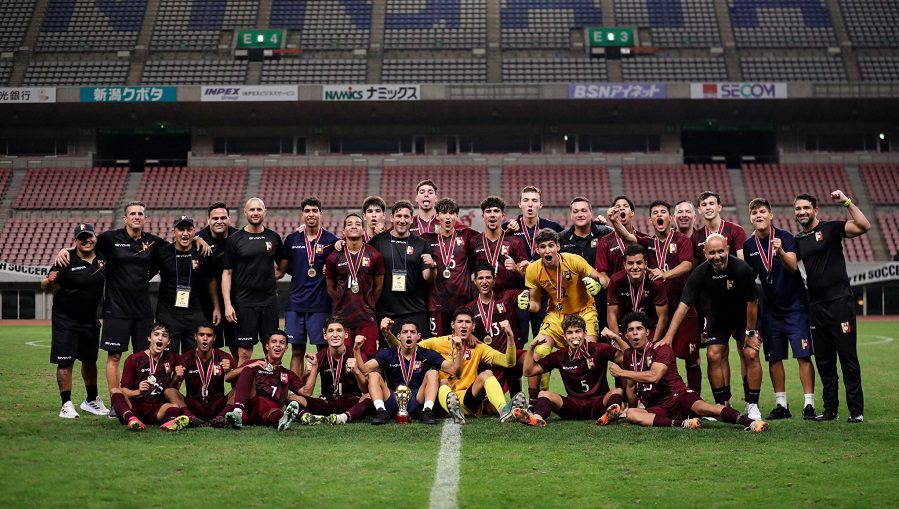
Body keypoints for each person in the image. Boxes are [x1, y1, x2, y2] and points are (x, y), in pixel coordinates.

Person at [660, 234, 764, 420]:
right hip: (719, 317)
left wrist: (749, 332)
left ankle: (753, 405)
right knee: (713, 354)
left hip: (745, 317)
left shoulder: (742, 269)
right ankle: (720, 404)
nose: (717, 256)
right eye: (712, 253)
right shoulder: (700, 273)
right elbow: (683, 306)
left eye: (721, 251)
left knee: (751, 353)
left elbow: (752, 303)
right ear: (705, 253)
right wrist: (668, 337)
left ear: (727, 250)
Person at [609, 312, 768, 432]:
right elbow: (630, 387)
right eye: (630, 330)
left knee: (704, 408)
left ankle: (749, 422)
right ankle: (683, 423)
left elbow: (654, 376)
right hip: (658, 406)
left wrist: (621, 372)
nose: (635, 333)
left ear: (648, 332)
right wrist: (632, 408)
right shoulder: (629, 355)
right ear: (627, 335)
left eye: (639, 329)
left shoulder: (662, 349)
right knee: (632, 415)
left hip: (678, 396)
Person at [794, 190, 871, 423]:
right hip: (816, 307)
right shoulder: (798, 241)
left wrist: (847, 201)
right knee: (824, 361)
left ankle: (856, 411)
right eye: (798, 209)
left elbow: (864, 226)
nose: (802, 212)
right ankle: (830, 411)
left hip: (840, 303)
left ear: (815, 210)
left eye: (806, 208)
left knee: (847, 357)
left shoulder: (831, 228)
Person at [612, 201, 701, 391]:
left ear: (670, 218)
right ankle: (656, 396)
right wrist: (614, 221)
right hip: (657, 311)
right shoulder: (647, 243)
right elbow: (627, 236)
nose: (659, 215)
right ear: (651, 220)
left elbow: (687, 264)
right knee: (653, 353)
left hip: (683, 307)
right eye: (655, 213)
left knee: (691, 357)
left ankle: (695, 397)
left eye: (663, 212)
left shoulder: (682, 240)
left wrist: (665, 274)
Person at [743, 198, 816, 420]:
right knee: (774, 358)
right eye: (754, 213)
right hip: (771, 310)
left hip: (795, 307)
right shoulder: (749, 246)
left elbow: (793, 265)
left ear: (771, 215)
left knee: (803, 355)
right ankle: (781, 405)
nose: (759, 215)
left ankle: (809, 404)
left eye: (762, 211)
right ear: (751, 218)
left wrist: (781, 252)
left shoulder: (785, 238)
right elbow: (750, 281)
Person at [520, 229, 604, 400]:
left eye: (551, 245)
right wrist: (527, 305)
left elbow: (602, 278)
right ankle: (535, 400)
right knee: (540, 352)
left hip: (584, 312)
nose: (547, 250)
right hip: (557, 315)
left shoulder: (574, 261)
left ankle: (593, 397)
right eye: (543, 247)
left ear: (558, 246)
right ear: (537, 250)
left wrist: (599, 285)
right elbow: (536, 305)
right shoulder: (533, 270)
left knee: (588, 353)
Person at [411, 309, 525, 424]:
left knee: (487, 374)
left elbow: (508, 362)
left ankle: (504, 410)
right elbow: (408, 348)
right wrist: (391, 335)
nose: (464, 325)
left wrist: (510, 337)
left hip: (467, 398)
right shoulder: (436, 343)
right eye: (460, 322)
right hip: (442, 398)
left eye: (468, 322)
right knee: (444, 382)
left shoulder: (479, 347)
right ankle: (454, 411)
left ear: (473, 326)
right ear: (452, 324)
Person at [42, 222, 108, 418]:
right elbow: (45, 286)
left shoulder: (103, 258)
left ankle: (91, 400)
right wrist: (48, 280)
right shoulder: (65, 259)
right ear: (76, 241)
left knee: (89, 361)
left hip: (90, 319)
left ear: (95, 237)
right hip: (66, 319)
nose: (87, 240)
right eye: (82, 238)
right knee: (66, 362)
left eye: (89, 236)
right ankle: (66, 404)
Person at [513, 315, 625, 427]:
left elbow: (628, 357)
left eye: (578, 331)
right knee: (544, 393)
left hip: (599, 403)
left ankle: (608, 414)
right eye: (570, 333)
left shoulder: (599, 349)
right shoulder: (559, 356)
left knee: (618, 391)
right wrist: (532, 346)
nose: (574, 336)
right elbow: (528, 372)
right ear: (564, 337)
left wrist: (615, 337)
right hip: (573, 406)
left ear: (585, 333)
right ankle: (536, 418)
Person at [355, 319, 462, 425]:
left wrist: (460, 350)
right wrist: (356, 350)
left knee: (432, 373)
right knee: (374, 375)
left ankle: (427, 411)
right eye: (405, 332)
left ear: (418, 336)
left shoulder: (427, 354)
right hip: (393, 398)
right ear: (398, 336)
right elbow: (364, 369)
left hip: (418, 399)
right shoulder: (387, 353)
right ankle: (381, 411)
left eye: (412, 332)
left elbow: (454, 371)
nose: (409, 335)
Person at [221, 197, 287, 366]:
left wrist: (273, 276)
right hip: (244, 303)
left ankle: (270, 390)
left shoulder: (273, 237)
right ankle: (243, 392)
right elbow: (227, 273)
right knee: (244, 352)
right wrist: (228, 304)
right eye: (252, 210)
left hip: (269, 302)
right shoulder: (235, 239)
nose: (255, 213)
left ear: (264, 212)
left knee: (272, 349)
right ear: (245, 212)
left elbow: (283, 263)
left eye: (259, 209)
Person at [283, 197, 338, 376]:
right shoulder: (291, 239)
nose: (311, 214)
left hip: (320, 305)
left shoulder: (331, 241)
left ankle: (324, 393)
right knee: (296, 351)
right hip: (296, 304)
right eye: (307, 211)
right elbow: (288, 268)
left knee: (323, 351)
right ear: (302, 215)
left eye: (315, 211)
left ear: (321, 214)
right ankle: (295, 395)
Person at [369, 200, 437, 339]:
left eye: (406, 217)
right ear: (392, 218)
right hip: (387, 312)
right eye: (398, 216)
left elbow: (428, 277)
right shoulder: (378, 241)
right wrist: (340, 243)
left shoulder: (421, 244)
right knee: (388, 357)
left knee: (419, 357)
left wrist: (432, 266)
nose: (402, 220)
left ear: (412, 219)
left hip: (416, 310)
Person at [151, 215, 218, 354]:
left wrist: (216, 307)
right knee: (167, 359)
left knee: (194, 359)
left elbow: (211, 280)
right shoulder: (162, 252)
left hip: (194, 312)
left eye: (189, 229)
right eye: (181, 229)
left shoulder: (202, 252)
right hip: (168, 313)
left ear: (194, 232)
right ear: (173, 231)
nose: (185, 233)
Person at [108, 323, 191, 432]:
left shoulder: (172, 358)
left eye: (164, 336)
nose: (160, 338)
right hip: (135, 407)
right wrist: (138, 391)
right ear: (149, 338)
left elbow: (172, 388)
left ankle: (169, 423)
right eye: (156, 334)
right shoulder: (134, 359)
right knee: (115, 392)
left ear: (169, 342)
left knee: (174, 407)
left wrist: (177, 378)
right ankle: (131, 419)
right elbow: (124, 390)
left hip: (157, 409)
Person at [506, 186, 564, 338]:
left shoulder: (553, 228)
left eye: (534, 201)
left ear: (541, 204)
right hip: (519, 292)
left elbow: (572, 240)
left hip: (544, 292)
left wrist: (599, 224)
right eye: (526, 200)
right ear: (520, 204)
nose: (530, 204)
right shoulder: (508, 228)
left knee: (544, 339)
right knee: (520, 338)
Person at [293, 316, 373, 425]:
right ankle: (307, 416)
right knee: (291, 397)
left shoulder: (356, 355)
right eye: (331, 331)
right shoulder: (320, 356)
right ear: (325, 335)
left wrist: (357, 371)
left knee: (370, 396)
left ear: (346, 334)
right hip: (327, 401)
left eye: (339, 330)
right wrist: (310, 371)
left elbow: (365, 390)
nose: (335, 335)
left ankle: (342, 418)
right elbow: (307, 393)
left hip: (351, 401)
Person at [325, 213, 385, 356]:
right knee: (344, 360)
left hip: (367, 318)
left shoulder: (375, 255)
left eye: (358, 224)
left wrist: (368, 304)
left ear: (363, 230)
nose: (354, 226)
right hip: (342, 319)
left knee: (369, 359)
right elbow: (331, 289)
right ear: (343, 231)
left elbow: (378, 287)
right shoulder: (334, 257)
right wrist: (341, 302)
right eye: (349, 224)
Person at [223, 330, 309, 431]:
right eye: (274, 342)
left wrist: (310, 372)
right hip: (250, 406)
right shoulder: (254, 363)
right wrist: (249, 365)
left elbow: (306, 392)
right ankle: (237, 412)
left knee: (274, 411)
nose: (278, 345)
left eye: (282, 343)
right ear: (267, 346)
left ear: (286, 349)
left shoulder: (288, 374)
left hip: (269, 411)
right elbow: (228, 378)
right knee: (247, 372)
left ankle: (283, 421)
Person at [465, 263, 526, 394]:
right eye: (480, 278)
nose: (484, 282)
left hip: (508, 354)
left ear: (494, 280)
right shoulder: (469, 309)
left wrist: (525, 272)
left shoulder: (507, 297)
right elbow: (457, 328)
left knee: (531, 358)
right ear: (475, 281)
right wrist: (468, 335)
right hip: (488, 362)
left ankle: (528, 400)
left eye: (488, 278)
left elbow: (532, 292)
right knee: (490, 408)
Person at [422, 198, 478, 336]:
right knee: (437, 348)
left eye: (452, 213)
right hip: (437, 304)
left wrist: (509, 228)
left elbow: (490, 236)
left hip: (463, 304)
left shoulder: (467, 235)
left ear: (456, 216)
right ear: (436, 216)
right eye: (444, 213)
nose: (448, 217)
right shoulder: (426, 239)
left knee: (461, 346)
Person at [170, 323, 238, 426]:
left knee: (239, 390)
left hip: (217, 404)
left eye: (209, 335)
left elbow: (236, 387)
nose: (205, 338)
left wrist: (229, 372)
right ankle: (191, 418)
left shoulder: (224, 357)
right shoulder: (184, 358)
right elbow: (173, 390)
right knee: (169, 391)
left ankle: (221, 417)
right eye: (201, 335)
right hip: (193, 405)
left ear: (214, 338)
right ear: (195, 337)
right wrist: (176, 378)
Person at [560, 196, 613, 330]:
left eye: (584, 210)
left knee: (603, 341)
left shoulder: (606, 233)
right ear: (571, 216)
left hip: (602, 298)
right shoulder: (561, 238)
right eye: (576, 211)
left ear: (591, 214)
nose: (580, 214)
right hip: (573, 302)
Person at [197, 202, 239, 356]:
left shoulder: (238, 237)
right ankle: (210, 379)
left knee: (237, 346)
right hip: (206, 303)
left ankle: (237, 379)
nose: (219, 221)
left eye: (223, 217)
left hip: (234, 301)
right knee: (210, 349)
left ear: (229, 219)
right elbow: (178, 241)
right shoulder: (201, 238)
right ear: (208, 220)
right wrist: (195, 239)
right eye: (215, 218)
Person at [466, 195, 528, 294]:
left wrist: (516, 269)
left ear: (503, 216)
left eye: (496, 211)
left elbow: (526, 275)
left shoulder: (515, 241)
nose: (492, 215)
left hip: (508, 301)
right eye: (488, 211)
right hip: (482, 300)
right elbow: (467, 272)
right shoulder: (473, 242)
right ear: (483, 217)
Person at [606, 244, 669, 339]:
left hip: (649, 330)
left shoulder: (656, 282)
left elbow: (663, 317)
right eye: (630, 263)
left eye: (639, 262)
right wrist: (617, 341)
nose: (635, 267)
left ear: (646, 264)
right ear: (624, 265)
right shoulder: (616, 280)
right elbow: (611, 314)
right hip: (624, 330)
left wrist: (653, 345)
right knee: (618, 353)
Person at [595, 195, 647, 289]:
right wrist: (617, 292)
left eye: (625, 206)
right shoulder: (604, 242)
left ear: (632, 213)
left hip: (642, 293)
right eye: (617, 207)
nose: (622, 208)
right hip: (615, 296)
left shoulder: (644, 239)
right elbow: (603, 274)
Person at [691, 191, 747, 261]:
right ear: (699, 210)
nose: (708, 207)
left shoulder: (736, 230)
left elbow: (742, 262)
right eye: (704, 204)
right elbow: (695, 267)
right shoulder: (695, 237)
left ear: (719, 207)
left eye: (711, 204)